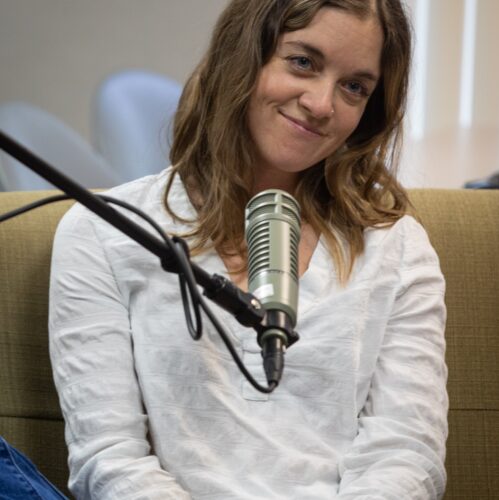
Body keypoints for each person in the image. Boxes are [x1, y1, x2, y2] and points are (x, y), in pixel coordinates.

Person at [49, 0, 448, 498]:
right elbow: (109, 458)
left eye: (354, 87)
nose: (323, 104)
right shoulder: (101, 231)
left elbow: (405, 455)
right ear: (241, 56)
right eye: (303, 61)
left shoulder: (397, 246)